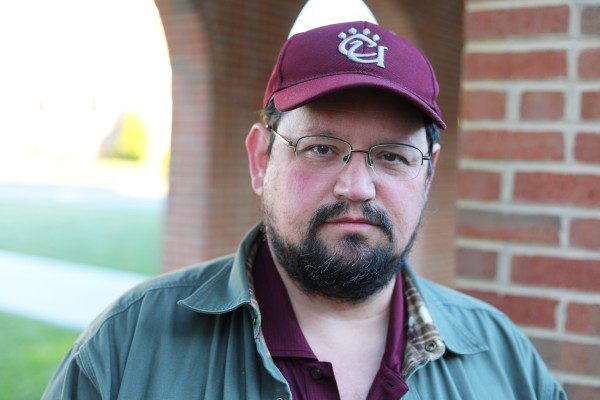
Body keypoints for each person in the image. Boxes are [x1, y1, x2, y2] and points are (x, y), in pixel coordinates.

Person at [43, 21, 566, 400]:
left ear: (427, 175)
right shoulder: (130, 348)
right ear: (260, 159)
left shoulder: (503, 360)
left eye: (392, 157)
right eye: (320, 148)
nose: (357, 187)